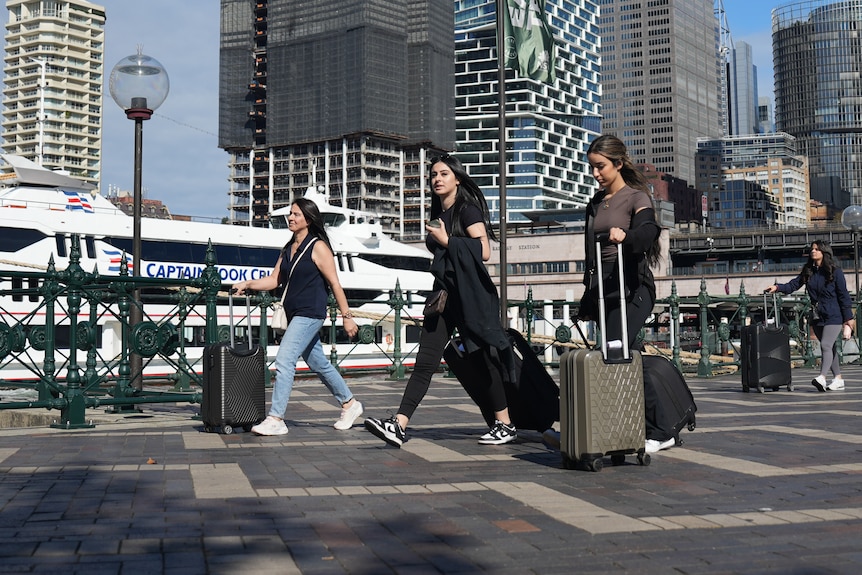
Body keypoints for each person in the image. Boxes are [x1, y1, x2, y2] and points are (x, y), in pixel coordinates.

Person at [363, 154, 517, 447]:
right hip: (444, 297)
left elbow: (484, 251)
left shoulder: (467, 211)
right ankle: (399, 424)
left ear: (457, 178)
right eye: (433, 174)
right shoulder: (438, 214)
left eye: (444, 174)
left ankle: (505, 424)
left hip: (471, 298)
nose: (437, 179)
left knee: (484, 360)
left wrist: (448, 241)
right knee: (425, 360)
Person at [233, 197, 363, 435]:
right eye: (290, 214)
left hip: (310, 313)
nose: (290, 218)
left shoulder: (318, 247)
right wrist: (248, 284)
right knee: (318, 363)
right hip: (294, 314)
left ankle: (276, 418)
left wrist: (347, 316)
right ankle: (350, 404)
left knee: (284, 360)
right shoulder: (288, 248)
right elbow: (274, 280)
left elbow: (335, 284)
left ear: (309, 219)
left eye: (296, 214)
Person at [579, 134, 665, 453]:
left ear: (618, 163)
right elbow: (590, 256)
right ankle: (622, 423)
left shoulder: (636, 197)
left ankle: (661, 428)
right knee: (617, 354)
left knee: (616, 350)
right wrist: (587, 297)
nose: (596, 174)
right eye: (592, 168)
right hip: (604, 291)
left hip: (634, 289)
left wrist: (625, 235)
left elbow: (648, 231)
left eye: (600, 167)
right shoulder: (594, 204)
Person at [766, 240, 855, 392]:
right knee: (830, 347)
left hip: (834, 315)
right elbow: (794, 284)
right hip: (817, 314)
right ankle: (838, 379)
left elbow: (844, 296)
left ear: (824, 252)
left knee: (825, 345)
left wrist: (848, 319)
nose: (813, 251)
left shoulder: (836, 272)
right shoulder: (809, 271)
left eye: (817, 249)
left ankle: (822, 377)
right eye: (812, 249)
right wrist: (778, 287)